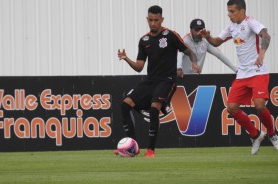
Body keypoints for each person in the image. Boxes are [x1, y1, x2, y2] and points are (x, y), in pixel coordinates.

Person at [116, 5, 200, 158]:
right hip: (150, 81)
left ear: (162, 19)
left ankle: (150, 150)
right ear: (147, 19)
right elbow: (139, 67)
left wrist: (194, 63)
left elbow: (188, 51)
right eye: (150, 20)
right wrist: (126, 58)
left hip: (167, 80)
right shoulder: (144, 40)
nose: (153, 23)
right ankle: (132, 146)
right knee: (124, 104)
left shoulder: (170, 35)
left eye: (156, 20)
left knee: (155, 107)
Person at [199, 0, 278, 155]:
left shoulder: (251, 23)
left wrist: (261, 53)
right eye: (228, 11)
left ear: (242, 11)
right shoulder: (231, 27)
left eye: (232, 11)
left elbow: (266, 35)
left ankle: (272, 133)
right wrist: (208, 37)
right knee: (231, 108)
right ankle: (255, 135)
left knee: (260, 106)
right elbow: (216, 41)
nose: (229, 14)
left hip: (258, 72)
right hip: (242, 75)